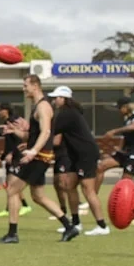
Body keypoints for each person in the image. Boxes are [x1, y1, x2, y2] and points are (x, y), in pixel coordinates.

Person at [0, 75, 70, 244]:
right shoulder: (37, 107)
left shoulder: (43, 107)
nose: (24, 89)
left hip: (39, 157)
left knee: (12, 190)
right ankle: (69, 226)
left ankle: (12, 234)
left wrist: (33, 151)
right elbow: (31, 135)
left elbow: (46, 133)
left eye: (25, 85)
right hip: (38, 155)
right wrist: (14, 132)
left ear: (35, 86)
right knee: (38, 196)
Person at [48, 84, 103, 239]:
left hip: (86, 153)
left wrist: (31, 137)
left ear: (63, 98)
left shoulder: (68, 114)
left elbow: (50, 131)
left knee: (88, 189)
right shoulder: (67, 113)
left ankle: (101, 225)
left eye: (56, 98)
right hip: (75, 154)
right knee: (69, 185)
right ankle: (76, 222)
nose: (54, 100)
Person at [96, 96, 134, 221]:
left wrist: (114, 131)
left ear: (125, 107)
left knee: (125, 185)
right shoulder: (127, 119)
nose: (118, 111)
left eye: (119, 108)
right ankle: (92, 198)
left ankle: (133, 214)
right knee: (100, 167)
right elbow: (125, 137)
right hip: (124, 154)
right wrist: (118, 149)